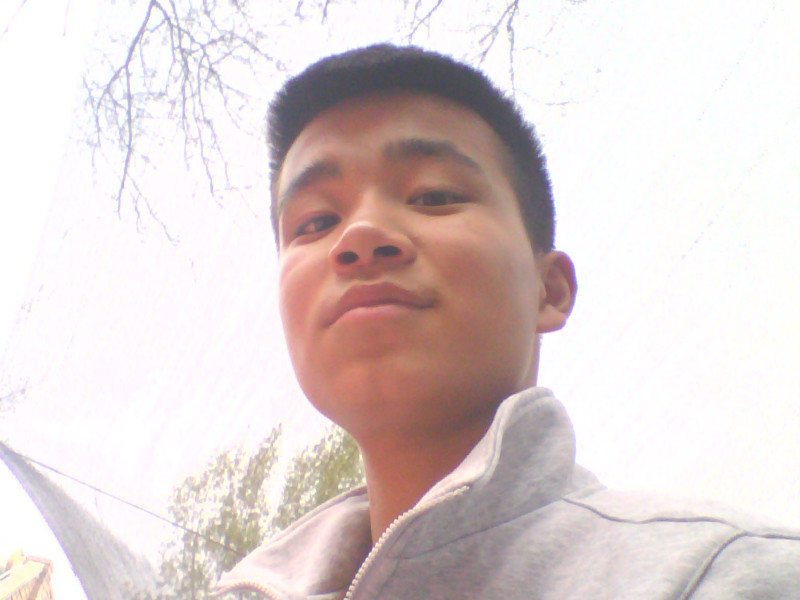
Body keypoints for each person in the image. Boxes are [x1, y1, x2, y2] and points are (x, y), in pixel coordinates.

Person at [214, 44, 800, 599]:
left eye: (433, 196)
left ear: (550, 290)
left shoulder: (728, 575)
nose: (360, 235)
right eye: (316, 223)